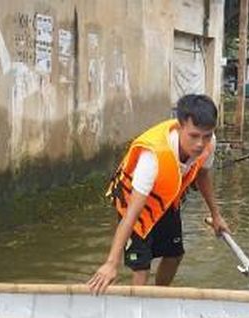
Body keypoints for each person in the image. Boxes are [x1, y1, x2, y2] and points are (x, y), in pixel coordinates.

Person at [88, 94, 229, 294]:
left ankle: (160, 296)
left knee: (174, 255)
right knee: (141, 267)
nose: (200, 143)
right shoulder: (152, 157)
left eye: (206, 136)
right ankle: (139, 311)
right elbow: (130, 216)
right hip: (136, 204)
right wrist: (111, 263)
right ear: (180, 128)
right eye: (194, 136)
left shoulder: (209, 143)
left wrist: (216, 215)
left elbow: (203, 175)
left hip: (166, 199)